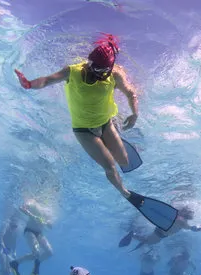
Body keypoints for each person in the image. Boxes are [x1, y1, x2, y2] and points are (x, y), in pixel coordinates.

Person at [14, 33, 178, 232]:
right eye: (93, 66)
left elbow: (130, 93)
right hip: (84, 130)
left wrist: (135, 113)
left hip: (106, 123)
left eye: (101, 70)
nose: (95, 72)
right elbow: (48, 80)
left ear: (109, 69)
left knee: (125, 162)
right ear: (89, 62)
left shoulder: (115, 75)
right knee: (110, 166)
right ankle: (125, 193)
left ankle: (115, 130)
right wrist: (30, 84)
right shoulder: (72, 72)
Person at [9, 199, 54, 275]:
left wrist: (47, 222)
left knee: (49, 252)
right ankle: (21, 263)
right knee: (37, 252)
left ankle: (17, 262)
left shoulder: (49, 208)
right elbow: (22, 208)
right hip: (29, 231)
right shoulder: (32, 202)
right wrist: (34, 216)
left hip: (39, 233)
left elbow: (51, 225)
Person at [119, 206, 201, 250]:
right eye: (191, 213)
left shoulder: (176, 216)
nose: (193, 214)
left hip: (159, 231)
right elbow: (190, 228)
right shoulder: (182, 222)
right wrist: (197, 229)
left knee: (147, 240)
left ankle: (135, 234)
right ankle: (133, 235)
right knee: (148, 241)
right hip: (160, 235)